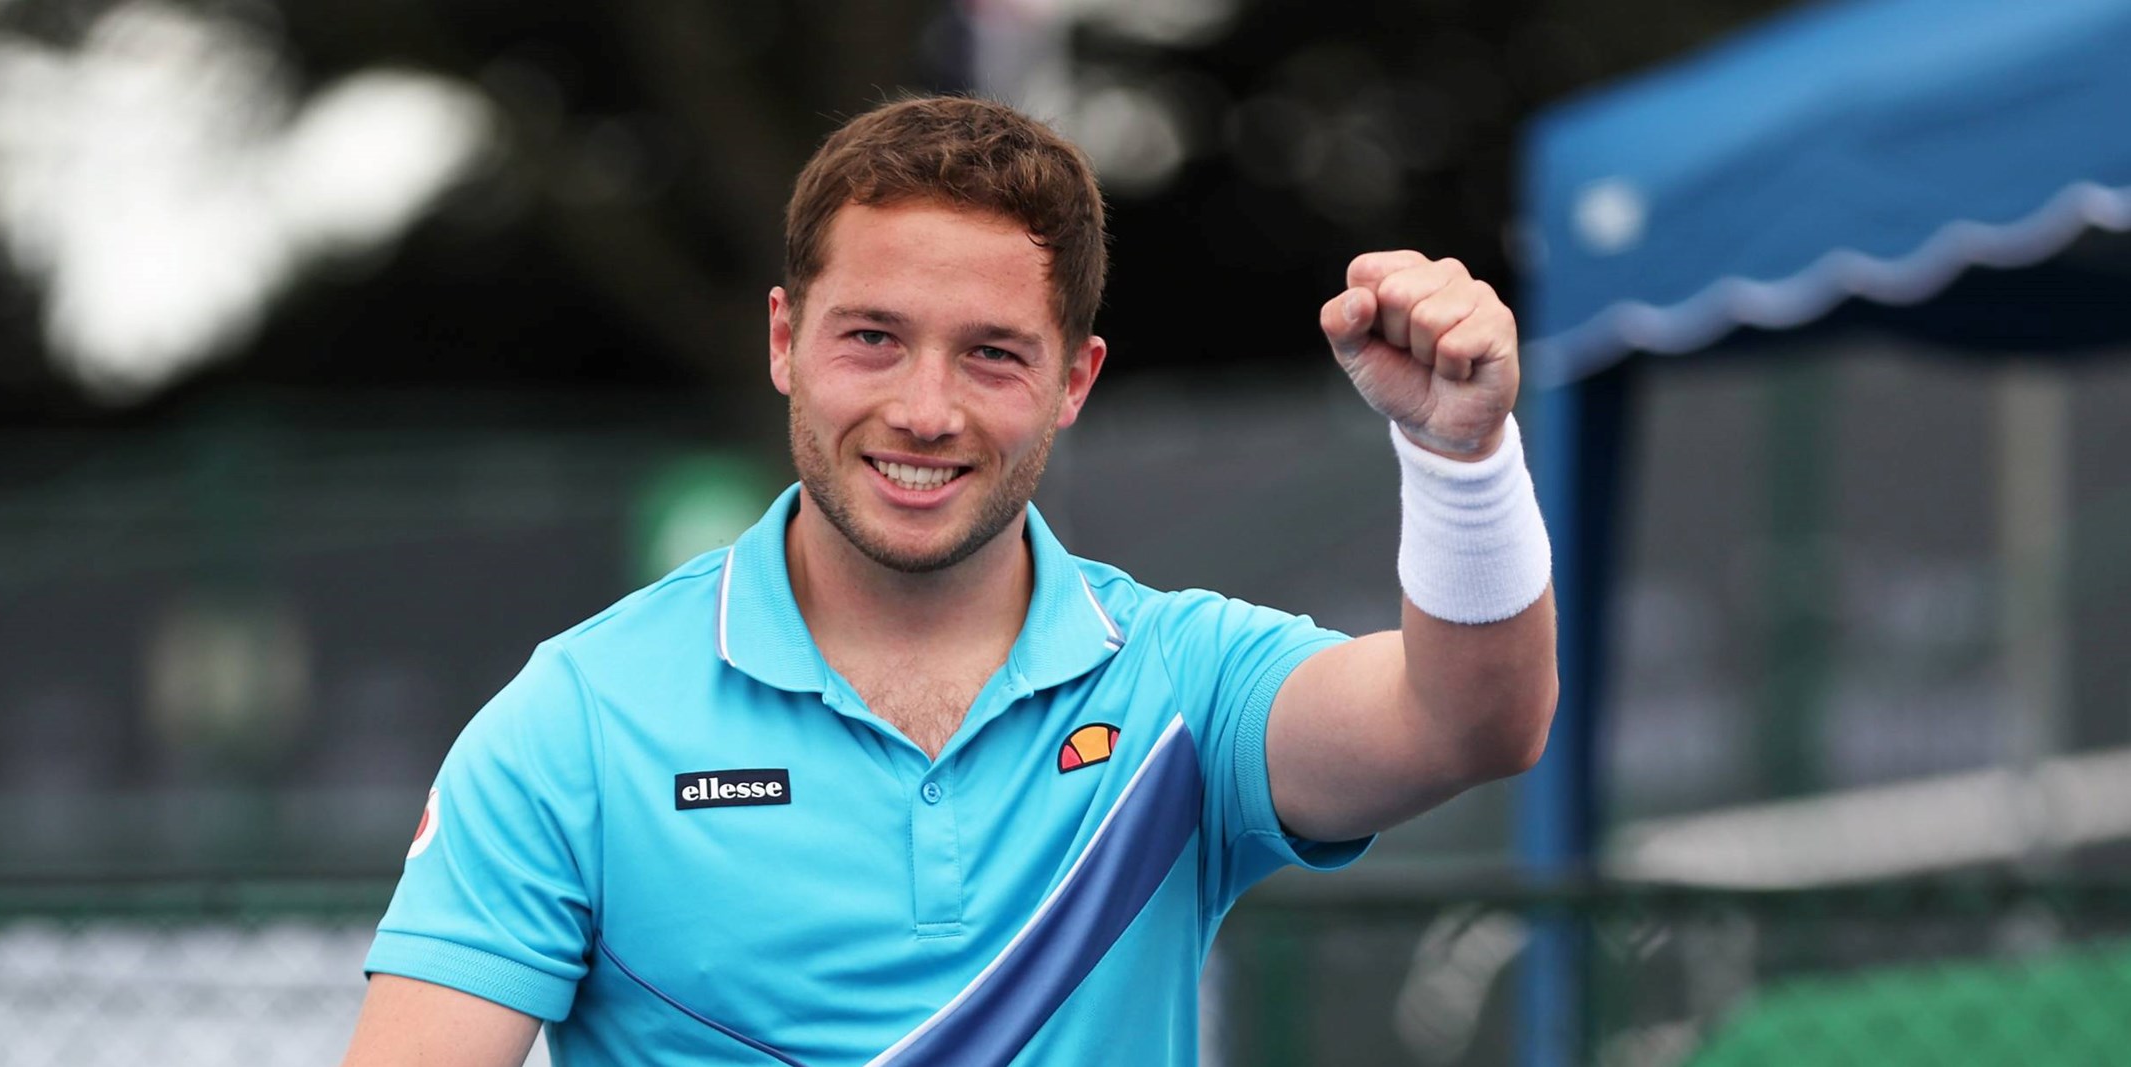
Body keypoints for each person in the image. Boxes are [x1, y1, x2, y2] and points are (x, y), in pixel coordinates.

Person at [338, 94, 1557, 1067]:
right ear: (784, 340)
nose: (923, 410)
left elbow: (1475, 720)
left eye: (989, 355)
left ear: (1074, 381)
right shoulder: (579, 719)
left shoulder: (1183, 683)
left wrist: (1459, 458)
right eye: (871, 336)